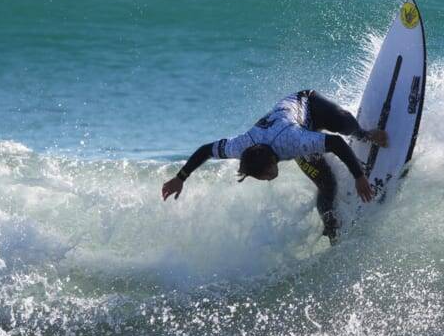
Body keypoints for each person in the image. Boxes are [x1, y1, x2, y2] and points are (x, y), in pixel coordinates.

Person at [161, 90, 388, 242]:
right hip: (293, 132)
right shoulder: (240, 146)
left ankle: (365, 134)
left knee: (343, 122)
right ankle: (332, 229)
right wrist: (180, 177)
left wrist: (359, 176)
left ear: (272, 160)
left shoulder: (293, 142)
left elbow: (336, 143)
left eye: (267, 173)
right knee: (327, 186)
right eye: (261, 177)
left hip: (308, 106)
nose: (268, 179)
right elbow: (206, 150)